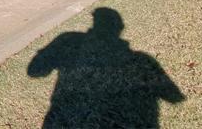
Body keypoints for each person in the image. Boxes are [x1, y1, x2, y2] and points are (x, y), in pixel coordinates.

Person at [28, 7, 184, 128]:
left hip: (65, 117)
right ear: (121, 27)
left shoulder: (67, 38)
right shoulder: (143, 60)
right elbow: (174, 97)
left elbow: (35, 70)